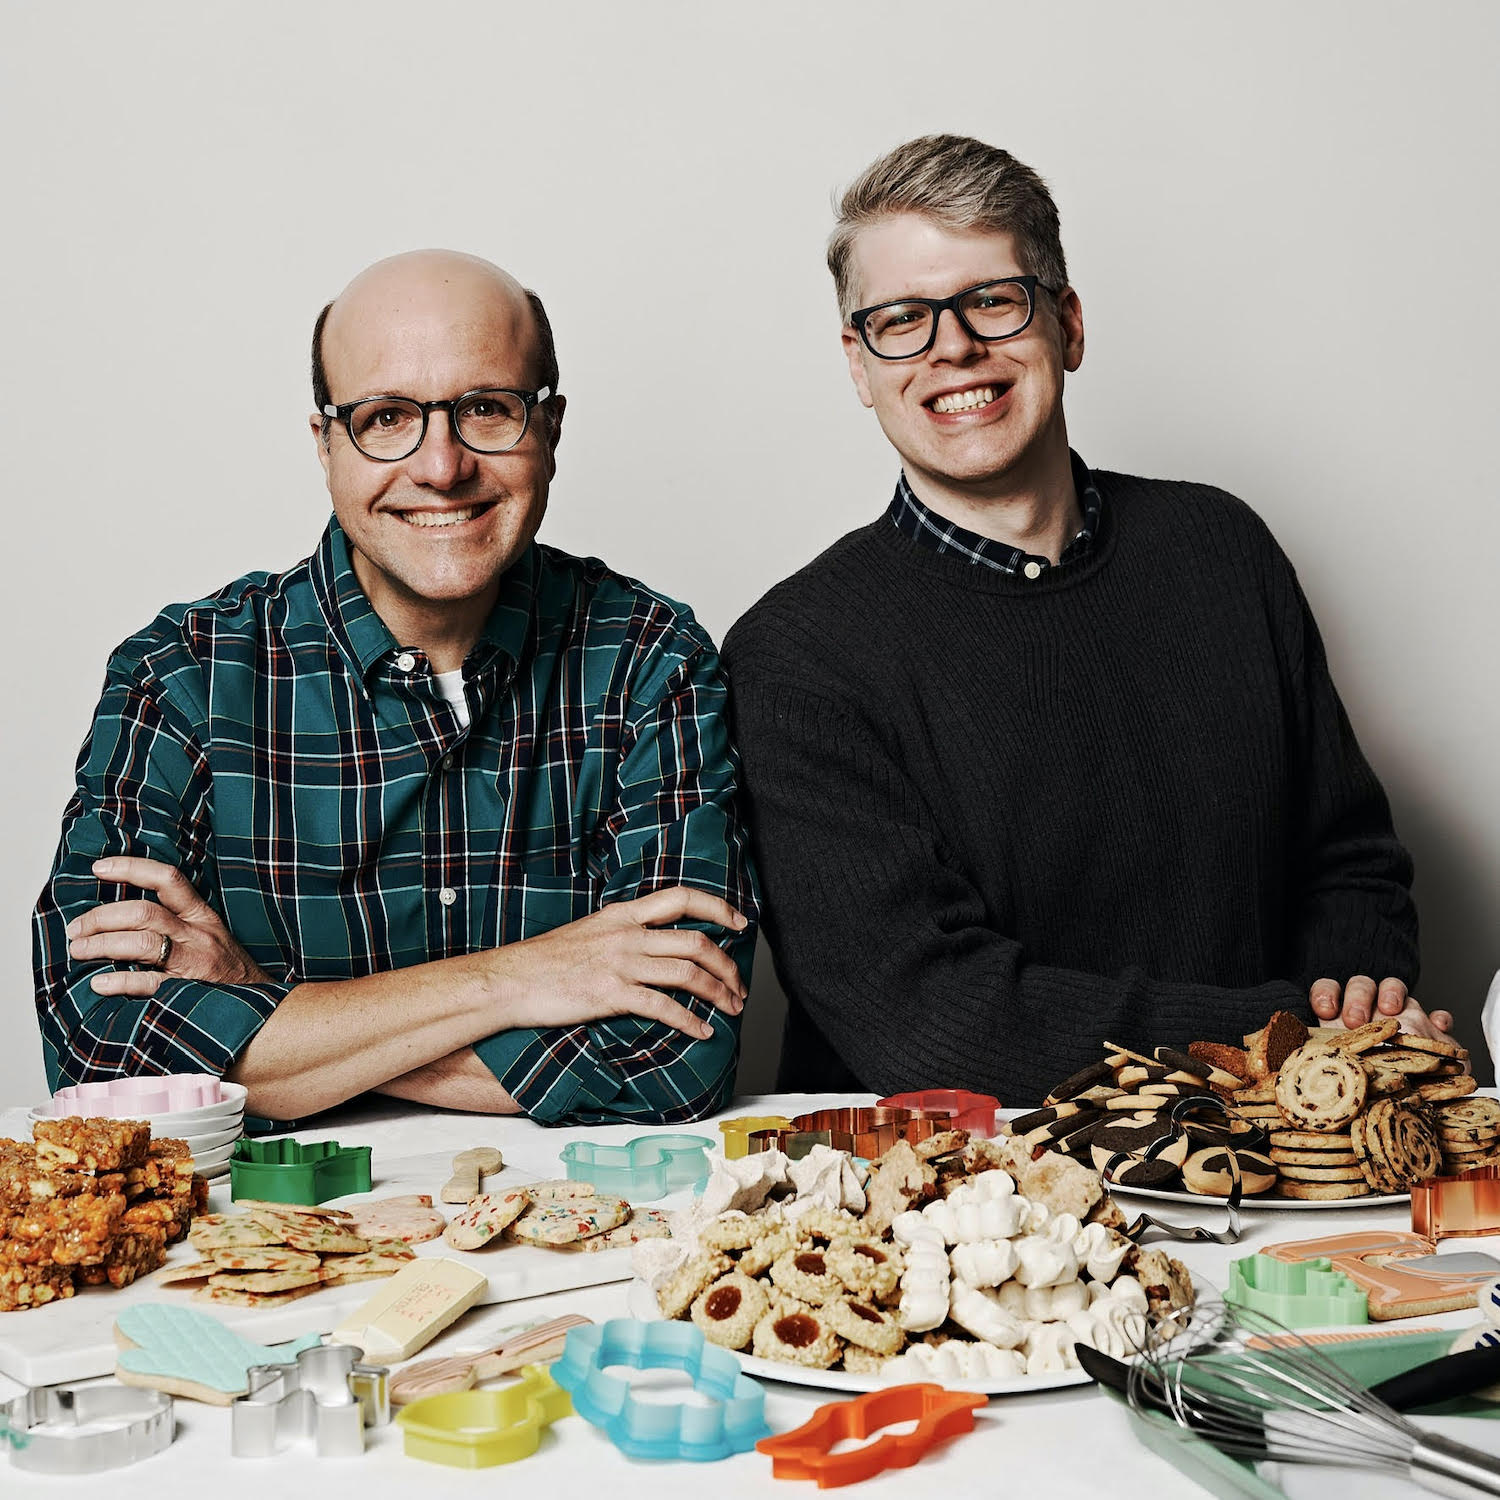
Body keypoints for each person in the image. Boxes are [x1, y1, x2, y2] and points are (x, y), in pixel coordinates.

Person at [721, 135, 1446, 1106]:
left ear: (1067, 323)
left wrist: (1352, 1010)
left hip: (1272, 1160)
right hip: (963, 1213)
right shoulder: (794, 660)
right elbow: (936, 1021)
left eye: (992, 300)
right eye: (901, 319)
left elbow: (1348, 858)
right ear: (858, 363)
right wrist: (1284, 1038)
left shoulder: (1223, 550)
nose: (952, 348)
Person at [34, 250, 756, 1126]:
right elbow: (106, 1052)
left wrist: (265, 1006)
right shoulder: (181, 674)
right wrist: (516, 979)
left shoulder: (652, 659)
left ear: (552, 428)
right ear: (327, 444)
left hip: (581, 1248)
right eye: (386, 418)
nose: (442, 466)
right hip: (261, 1248)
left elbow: (674, 1060)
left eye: (487, 409)